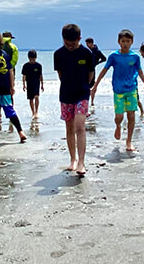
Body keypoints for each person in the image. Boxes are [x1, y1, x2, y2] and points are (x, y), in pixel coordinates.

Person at [92, 29, 144, 151]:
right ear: (119, 42)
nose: (125, 43)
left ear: (132, 42)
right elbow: (104, 70)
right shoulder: (114, 56)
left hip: (131, 89)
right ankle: (118, 126)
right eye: (123, 41)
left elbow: (140, 72)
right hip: (118, 91)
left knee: (131, 115)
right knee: (119, 116)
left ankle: (129, 141)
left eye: (128, 41)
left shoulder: (135, 57)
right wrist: (95, 85)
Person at [53, 24, 95, 176]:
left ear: (79, 39)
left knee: (79, 125)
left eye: (73, 43)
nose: (69, 46)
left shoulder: (86, 53)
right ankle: (73, 159)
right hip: (65, 94)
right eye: (66, 43)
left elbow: (91, 74)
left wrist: (85, 87)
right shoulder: (58, 54)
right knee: (69, 127)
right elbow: (61, 75)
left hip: (82, 93)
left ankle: (82, 162)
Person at [21, 50, 44, 119]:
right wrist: (24, 85)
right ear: (28, 58)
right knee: (31, 99)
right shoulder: (26, 66)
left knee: (36, 96)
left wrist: (42, 84)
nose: (32, 60)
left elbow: (41, 75)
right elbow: (24, 76)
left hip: (37, 83)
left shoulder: (39, 65)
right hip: (29, 84)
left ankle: (36, 112)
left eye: (33, 59)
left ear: (36, 58)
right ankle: (33, 112)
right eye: (31, 59)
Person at [85, 37, 107, 106]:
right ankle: (87, 101)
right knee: (86, 86)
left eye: (88, 44)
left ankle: (92, 101)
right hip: (86, 70)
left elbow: (104, 58)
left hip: (92, 71)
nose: (87, 45)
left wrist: (96, 63)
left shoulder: (96, 51)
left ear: (91, 43)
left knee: (92, 85)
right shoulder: (87, 51)